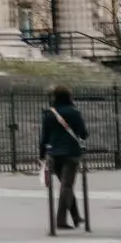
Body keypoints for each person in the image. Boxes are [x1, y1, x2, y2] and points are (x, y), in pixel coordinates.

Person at [37, 85, 88, 231]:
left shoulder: (49, 113)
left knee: (66, 185)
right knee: (67, 186)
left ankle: (76, 216)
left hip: (54, 154)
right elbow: (83, 134)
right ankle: (60, 220)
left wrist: (41, 155)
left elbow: (44, 137)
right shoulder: (74, 112)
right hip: (71, 153)